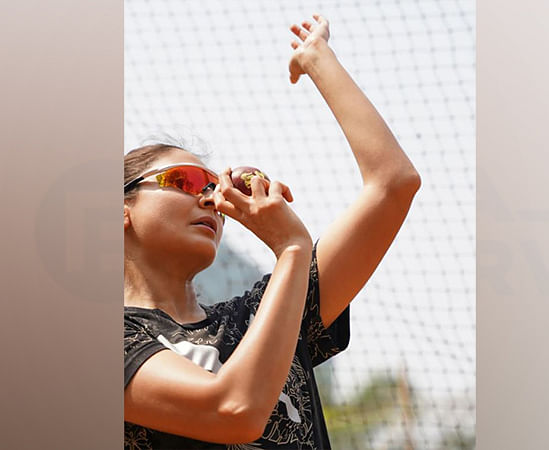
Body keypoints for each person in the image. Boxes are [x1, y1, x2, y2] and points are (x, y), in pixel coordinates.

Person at [124, 13, 421, 449]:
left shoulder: (268, 313)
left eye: (214, 187)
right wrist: (290, 247)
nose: (210, 198)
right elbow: (232, 410)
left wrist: (318, 59)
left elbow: (393, 184)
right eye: (184, 181)